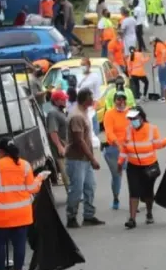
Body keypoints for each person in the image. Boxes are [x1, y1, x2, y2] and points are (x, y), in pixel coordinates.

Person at [0, 138, 50, 270]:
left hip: (2, 214)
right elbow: (32, 188)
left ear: (1, 151)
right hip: (22, 213)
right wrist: (40, 178)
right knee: (19, 243)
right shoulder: (25, 165)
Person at [118, 107, 166, 228]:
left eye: (135, 118)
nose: (133, 121)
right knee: (134, 191)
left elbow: (157, 144)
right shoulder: (128, 130)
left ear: (142, 118)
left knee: (148, 192)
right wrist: (120, 162)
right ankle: (132, 219)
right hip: (133, 166)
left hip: (149, 166)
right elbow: (124, 148)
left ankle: (149, 213)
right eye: (131, 119)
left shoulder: (152, 129)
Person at [65, 88, 104, 228]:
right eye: (91, 97)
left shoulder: (84, 112)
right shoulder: (77, 116)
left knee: (90, 186)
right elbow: (79, 141)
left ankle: (88, 215)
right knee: (76, 189)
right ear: (85, 99)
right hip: (77, 159)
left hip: (85, 158)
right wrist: (92, 159)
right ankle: (71, 217)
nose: (93, 100)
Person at [102, 91, 131, 210]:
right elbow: (109, 132)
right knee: (117, 175)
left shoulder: (130, 113)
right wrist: (119, 146)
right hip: (113, 150)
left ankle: (134, 199)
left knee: (133, 175)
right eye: (119, 99)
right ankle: (116, 197)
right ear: (114, 101)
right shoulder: (109, 114)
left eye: (123, 99)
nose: (121, 102)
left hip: (129, 149)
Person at [46, 89, 70, 193]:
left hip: (66, 144)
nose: (65, 101)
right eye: (62, 99)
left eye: (65, 99)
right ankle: (70, 191)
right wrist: (59, 146)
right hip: (61, 147)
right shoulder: (53, 113)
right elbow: (53, 132)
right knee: (65, 170)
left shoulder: (59, 111)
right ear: (55, 101)